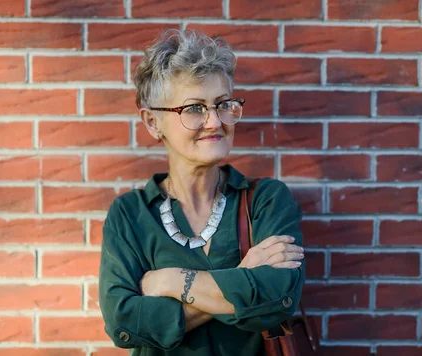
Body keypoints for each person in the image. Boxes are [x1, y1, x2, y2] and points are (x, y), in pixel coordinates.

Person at [98, 29, 306, 356]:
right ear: (153, 122)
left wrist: (169, 281)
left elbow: (278, 300)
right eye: (194, 108)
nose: (214, 122)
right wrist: (243, 277)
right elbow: (125, 324)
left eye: (223, 104)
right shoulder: (130, 215)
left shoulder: (266, 200)